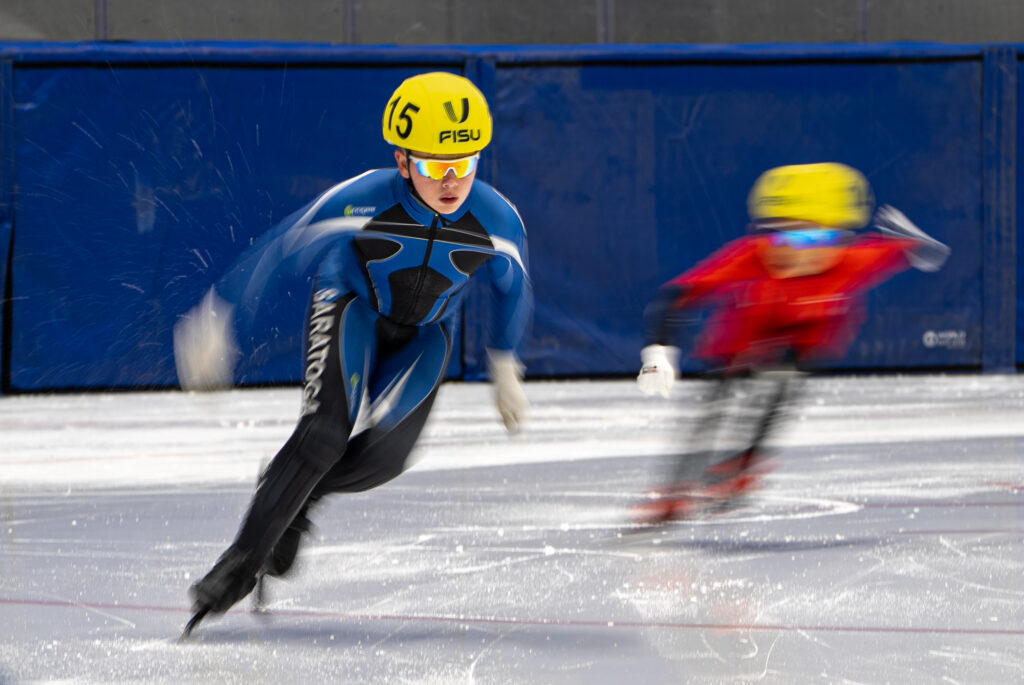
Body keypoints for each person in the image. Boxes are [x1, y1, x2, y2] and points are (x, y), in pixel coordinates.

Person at [174, 72, 532, 634]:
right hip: (353, 306)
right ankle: (238, 568)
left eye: (465, 163)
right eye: (437, 165)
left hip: (426, 333)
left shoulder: (498, 220)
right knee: (322, 435)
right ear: (403, 158)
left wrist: (505, 362)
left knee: (385, 458)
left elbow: (515, 288)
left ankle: (294, 492)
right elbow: (280, 249)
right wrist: (218, 314)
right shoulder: (360, 197)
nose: (452, 180)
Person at [634, 162, 949, 525]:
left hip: (802, 342)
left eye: (818, 238)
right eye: (784, 237)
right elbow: (672, 298)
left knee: (781, 386)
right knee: (713, 410)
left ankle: (743, 467)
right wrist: (657, 353)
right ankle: (675, 494)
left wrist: (915, 243)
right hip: (740, 342)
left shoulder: (853, 261)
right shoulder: (750, 257)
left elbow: (920, 251)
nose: (800, 251)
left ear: (842, 238)